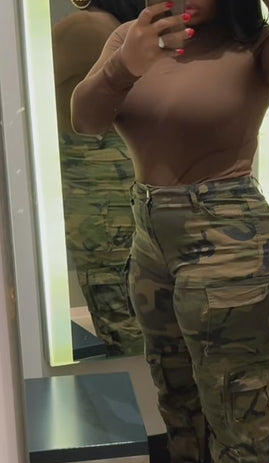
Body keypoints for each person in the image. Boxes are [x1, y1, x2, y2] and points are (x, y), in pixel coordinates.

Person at [71, 0, 269, 463]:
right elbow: (85, 119)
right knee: (177, 394)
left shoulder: (254, 45)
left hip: (228, 241)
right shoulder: (131, 36)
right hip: (150, 238)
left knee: (241, 416)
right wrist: (126, 63)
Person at [53, 0, 145, 356]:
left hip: (98, 191)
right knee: (133, 311)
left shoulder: (85, 27)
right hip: (121, 181)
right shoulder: (128, 31)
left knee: (120, 317)